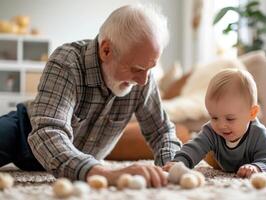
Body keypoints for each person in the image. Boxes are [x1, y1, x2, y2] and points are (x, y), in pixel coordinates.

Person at [0, 4, 182, 187]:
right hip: (25, 134)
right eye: (136, 69)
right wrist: (105, 174)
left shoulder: (143, 77)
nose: (143, 81)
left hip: (78, 161)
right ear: (106, 50)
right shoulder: (67, 62)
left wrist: (172, 164)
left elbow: (161, 131)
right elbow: (48, 132)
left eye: (150, 69)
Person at [163, 68, 266, 178]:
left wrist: (257, 167)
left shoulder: (257, 133)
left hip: (257, 155)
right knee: (207, 153)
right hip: (220, 158)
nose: (221, 126)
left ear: (252, 113)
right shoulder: (211, 130)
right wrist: (178, 162)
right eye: (214, 117)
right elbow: (194, 147)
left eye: (230, 119)